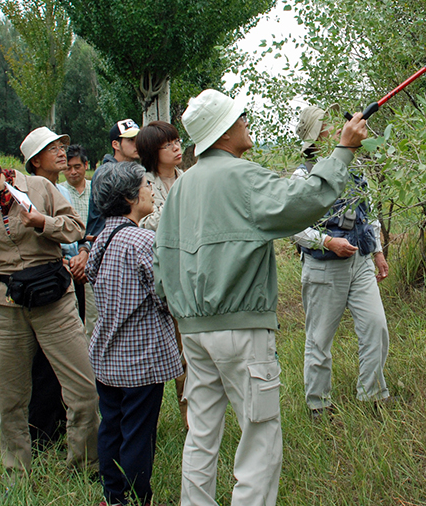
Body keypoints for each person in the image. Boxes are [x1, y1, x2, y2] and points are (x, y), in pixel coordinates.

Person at [153, 89, 369, 506]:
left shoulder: (181, 188)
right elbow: (303, 203)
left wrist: (183, 310)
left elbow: (163, 264)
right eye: (240, 117)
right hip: (242, 332)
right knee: (260, 436)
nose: (246, 122)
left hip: (194, 334)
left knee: (201, 435)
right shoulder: (243, 177)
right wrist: (343, 149)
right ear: (224, 131)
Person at [0, 155, 99, 475]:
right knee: (10, 398)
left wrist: (43, 222)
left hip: (54, 300)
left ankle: (85, 466)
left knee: (83, 391)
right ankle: (17, 472)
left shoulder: (39, 187)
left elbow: (75, 227)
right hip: (7, 304)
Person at [87, 161, 183, 506]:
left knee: (111, 426)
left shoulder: (102, 238)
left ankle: (112, 496)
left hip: (107, 355)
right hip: (140, 359)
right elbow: (165, 296)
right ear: (129, 196)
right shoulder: (143, 240)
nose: (151, 189)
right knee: (139, 434)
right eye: (145, 184)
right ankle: (136, 497)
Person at [292, 105, 392, 419]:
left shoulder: (356, 167)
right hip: (324, 267)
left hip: (360, 262)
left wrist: (376, 251)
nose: (338, 126)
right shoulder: (303, 175)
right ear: (315, 134)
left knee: (376, 325)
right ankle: (318, 404)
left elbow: (369, 212)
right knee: (319, 337)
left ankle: (373, 395)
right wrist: (327, 242)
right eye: (328, 123)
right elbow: (294, 226)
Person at [19, 126, 84, 449]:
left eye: (62, 146)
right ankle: (43, 434)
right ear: (35, 160)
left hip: (72, 278)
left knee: (69, 362)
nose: (61, 152)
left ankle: (63, 424)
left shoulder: (66, 191)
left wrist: (82, 253)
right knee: (44, 365)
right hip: (45, 284)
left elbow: (79, 229)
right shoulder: (26, 193)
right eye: (52, 148)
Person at [134, 121, 189, 426]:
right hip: (156, 277)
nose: (176, 148)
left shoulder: (187, 179)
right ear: (152, 152)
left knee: (188, 351)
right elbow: (144, 224)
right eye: (168, 145)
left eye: (177, 141)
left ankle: (189, 417)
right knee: (153, 351)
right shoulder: (142, 183)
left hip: (187, 275)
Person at [61, 144, 99, 338]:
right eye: (68, 167)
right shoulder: (60, 193)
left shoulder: (97, 188)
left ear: (86, 165)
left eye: (77, 166)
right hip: (70, 260)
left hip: (95, 253)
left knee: (94, 314)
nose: (73, 171)